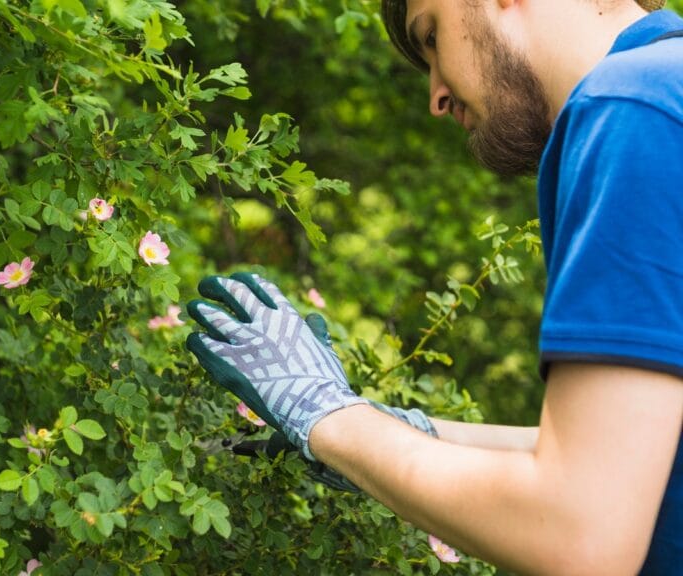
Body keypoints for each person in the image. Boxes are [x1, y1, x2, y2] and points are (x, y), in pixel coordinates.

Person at [185, 0, 683, 573]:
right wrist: (394, 432)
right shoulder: (666, 91)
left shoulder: (631, 109)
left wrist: (324, 415)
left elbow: (578, 533)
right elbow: (633, 464)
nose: (436, 96)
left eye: (431, 36)